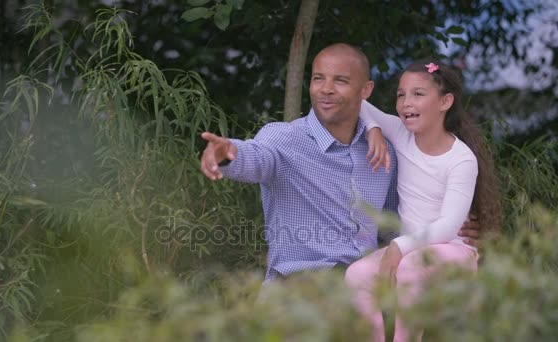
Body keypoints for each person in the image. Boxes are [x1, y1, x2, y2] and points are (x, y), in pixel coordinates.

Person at [199, 43, 481, 283]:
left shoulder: (383, 155)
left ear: (366, 90)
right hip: (302, 287)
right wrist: (227, 153)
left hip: (362, 286)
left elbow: (392, 227)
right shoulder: (284, 139)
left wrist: (450, 239)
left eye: (340, 81)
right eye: (318, 78)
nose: (326, 89)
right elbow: (255, 157)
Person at [344, 59, 502, 342]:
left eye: (418, 94)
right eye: (401, 94)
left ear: (445, 102)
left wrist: (398, 246)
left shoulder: (460, 159)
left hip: (454, 252)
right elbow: (361, 105)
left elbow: (448, 225)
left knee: (409, 269)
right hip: (411, 251)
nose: (406, 102)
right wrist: (374, 129)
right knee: (357, 274)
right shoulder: (401, 134)